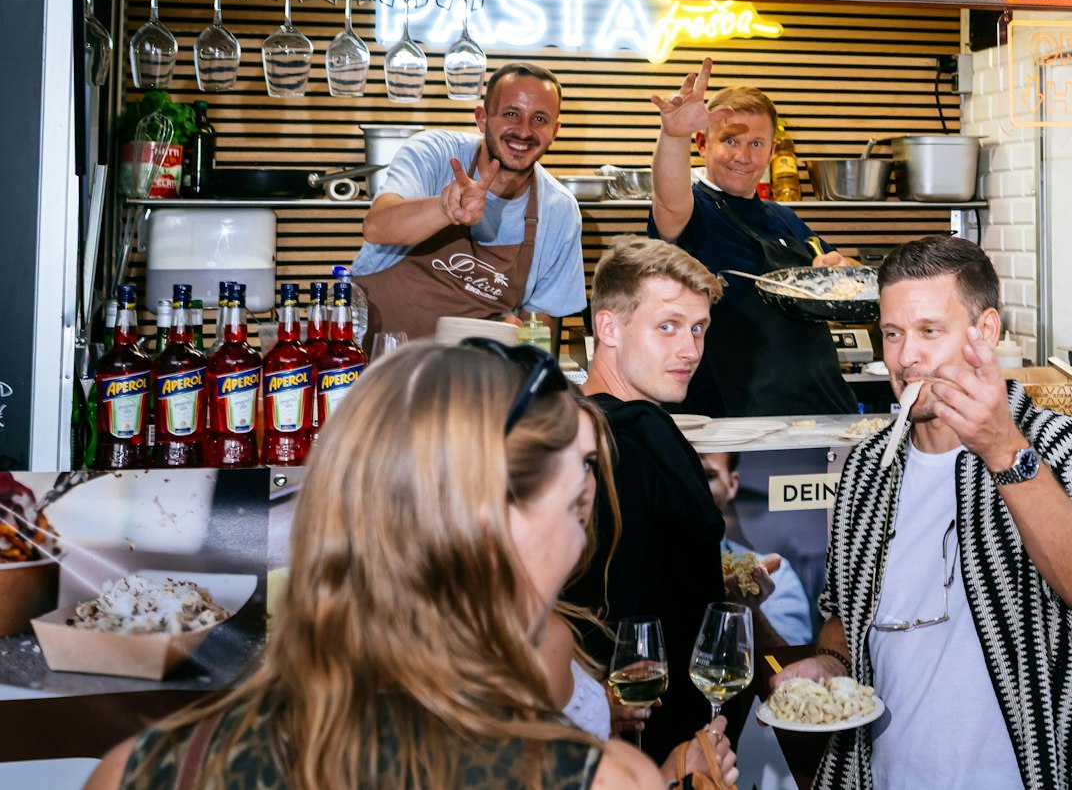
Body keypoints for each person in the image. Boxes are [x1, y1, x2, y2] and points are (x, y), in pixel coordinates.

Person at [84, 340, 733, 790]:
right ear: (492, 532)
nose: (579, 543)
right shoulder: (603, 778)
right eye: (575, 506)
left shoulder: (141, 769)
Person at [774, 235, 1072, 790]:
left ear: (985, 332)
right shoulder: (869, 466)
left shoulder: (1057, 445)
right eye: (892, 333)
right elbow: (844, 615)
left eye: (928, 331)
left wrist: (1004, 452)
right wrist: (830, 663)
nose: (905, 357)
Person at [565, 236, 736, 762]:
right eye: (668, 326)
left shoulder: (566, 424)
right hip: (655, 736)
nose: (690, 350)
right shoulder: (642, 431)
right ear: (608, 328)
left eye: (698, 328)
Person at [646, 59, 854, 417]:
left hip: (822, 409)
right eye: (730, 141)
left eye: (756, 143)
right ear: (702, 144)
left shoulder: (785, 219)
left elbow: (846, 270)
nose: (743, 156)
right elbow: (668, 198)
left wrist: (841, 269)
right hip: (732, 419)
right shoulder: (692, 212)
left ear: (772, 151)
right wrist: (674, 135)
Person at [353, 62, 584, 342]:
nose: (524, 131)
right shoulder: (436, 154)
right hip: (372, 355)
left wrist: (518, 344)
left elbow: (539, 324)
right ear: (482, 119)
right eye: (511, 114)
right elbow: (376, 227)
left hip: (468, 366)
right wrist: (444, 208)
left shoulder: (559, 211)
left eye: (539, 119)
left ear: (555, 130)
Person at [703, 451, 814, 646]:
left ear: (732, 485)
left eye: (708, 476)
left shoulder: (776, 576)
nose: (693, 486)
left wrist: (749, 612)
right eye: (683, 475)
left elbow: (789, 661)